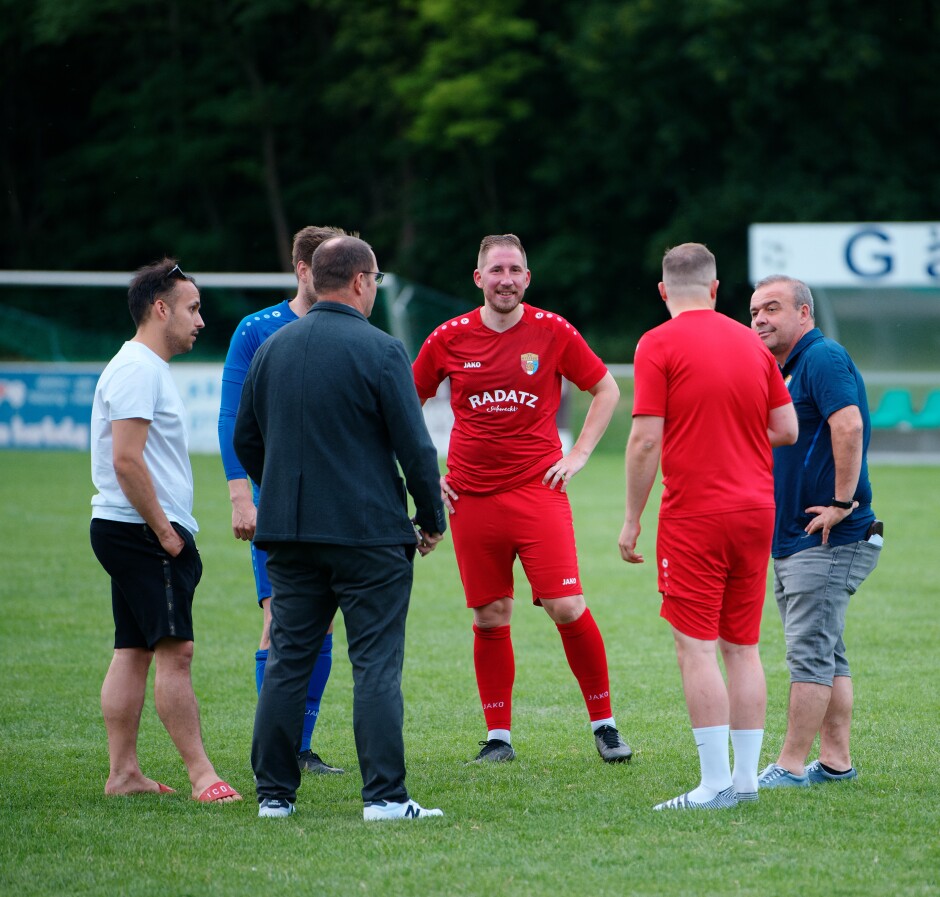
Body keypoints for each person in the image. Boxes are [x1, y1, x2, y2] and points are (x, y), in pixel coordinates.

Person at [234, 235, 447, 821]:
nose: (376, 289)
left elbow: (246, 441)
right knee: (375, 663)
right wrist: (430, 520)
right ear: (359, 281)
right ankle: (384, 797)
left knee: (287, 660)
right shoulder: (382, 351)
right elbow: (417, 450)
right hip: (369, 535)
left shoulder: (272, 348)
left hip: (291, 534)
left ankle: (274, 796)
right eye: (375, 280)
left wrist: (279, 493)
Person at [413, 233, 632, 765]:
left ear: (526, 279)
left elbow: (606, 389)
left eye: (514, 270)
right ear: (479, 278)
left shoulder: (552, 331)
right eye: (496, 271)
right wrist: (424, 474)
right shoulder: (448, 337)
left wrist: (577, 454)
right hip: (470, 499)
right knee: (490, 615)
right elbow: (404, 401)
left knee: (566, 605)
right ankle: (498, 737)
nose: (505, 279)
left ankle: (604, 725)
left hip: (538, 492)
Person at [618, 243, 797, 810]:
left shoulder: (657, 342)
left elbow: (646, 438)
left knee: (695, 649)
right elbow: (787, 426)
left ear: (664, 291)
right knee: (742, 647)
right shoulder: (751, 341)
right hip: (756, 511)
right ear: (717, 290)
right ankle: (746, 780)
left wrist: (631, 518)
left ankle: (715, 783)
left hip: (697, 513)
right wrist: (732, 434)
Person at [89, 258, 241, 804]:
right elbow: (126, 461)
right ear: (161, 309)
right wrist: (166, 533)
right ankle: (203, 774)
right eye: (192, 308)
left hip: (127, 528)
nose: (200, 320)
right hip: (142, 530)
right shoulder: (137, 369)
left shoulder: (145, 367)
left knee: (133, 649)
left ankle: (124, 773)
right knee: (176, 652)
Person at [218, 225, 350, 775]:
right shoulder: (258, 330)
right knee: (280, 622)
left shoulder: (352, 326)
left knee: (320, 626)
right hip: (277, 504)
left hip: (336, 507)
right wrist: (240, 497)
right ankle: (275, 748)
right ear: (302, 269)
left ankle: (299, 745)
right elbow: (233, 419)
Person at [750, 275, 882, 789]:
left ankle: (787, 766)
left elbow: (847, 425)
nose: (760, 318)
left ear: (804, 312)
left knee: (808, 652)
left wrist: (841, 504)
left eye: (773, 308)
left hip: (827, 538)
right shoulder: (786, 368)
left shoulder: (821, 357)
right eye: (756, 309)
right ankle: (835, 763)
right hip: (797, 539)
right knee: (828, 652)